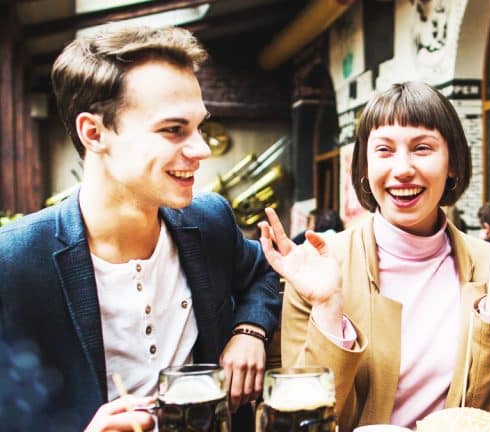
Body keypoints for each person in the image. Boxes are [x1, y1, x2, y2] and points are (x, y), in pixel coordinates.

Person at [0, 26, 281, 431]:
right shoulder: (14, 263)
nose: (201, 149)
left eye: (199, 126)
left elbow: (264, 270)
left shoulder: (211, 220)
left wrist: (250, 330)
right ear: (94, 133)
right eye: (173, 129)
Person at [258, 81, 490, 430]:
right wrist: (328, 307)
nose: (403, 169)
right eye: (384, 150)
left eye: (422, 148)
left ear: (452, 163)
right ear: (363, 166)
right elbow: (296, 424)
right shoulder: (322, 268)